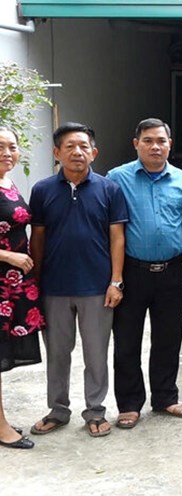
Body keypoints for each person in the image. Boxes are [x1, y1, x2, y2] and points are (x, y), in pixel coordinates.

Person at [29, 122, 128, 438]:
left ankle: (95, 412)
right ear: (57, 153)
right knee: (57, 354)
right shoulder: (42, 190)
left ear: (94, 152)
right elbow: (38, 238)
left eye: (84, 146)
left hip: (97, 288)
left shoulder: (109, 189)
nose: (77, 152)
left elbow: (117, 237)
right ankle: (58, 410)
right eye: (70, 146)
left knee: (96, 355)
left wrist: (116, 281)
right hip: (54, 287)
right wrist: (35, 281)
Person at [106, 118, 182, 429]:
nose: (155, 146)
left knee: (168, 338)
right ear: (136, 144)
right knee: (127, 340)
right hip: (133, 272)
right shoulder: (116, 179)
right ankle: (130, 403)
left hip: (171, 271)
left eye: (161, 140)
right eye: (148, 140)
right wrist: (115, 278)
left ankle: (165, 398)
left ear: (170, 144)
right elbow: (112, 230)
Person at [0, 128, 45, 449]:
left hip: (13, 286)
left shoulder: (8, 182)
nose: (7, 152)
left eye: (12, 146)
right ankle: (1, 427)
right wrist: (9, 256)